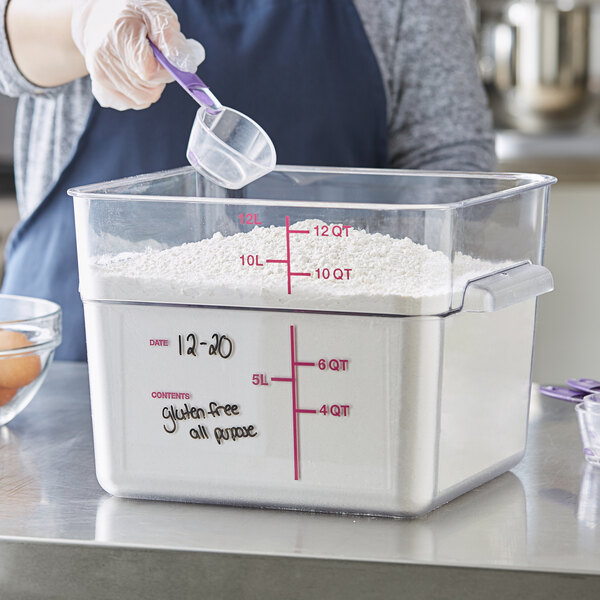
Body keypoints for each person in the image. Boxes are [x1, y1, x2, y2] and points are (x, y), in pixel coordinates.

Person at [0, 0, 495, 360]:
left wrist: (393, 291)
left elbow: (450, 158)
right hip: (83, 372)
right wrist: (84, 19)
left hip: (323, 368)